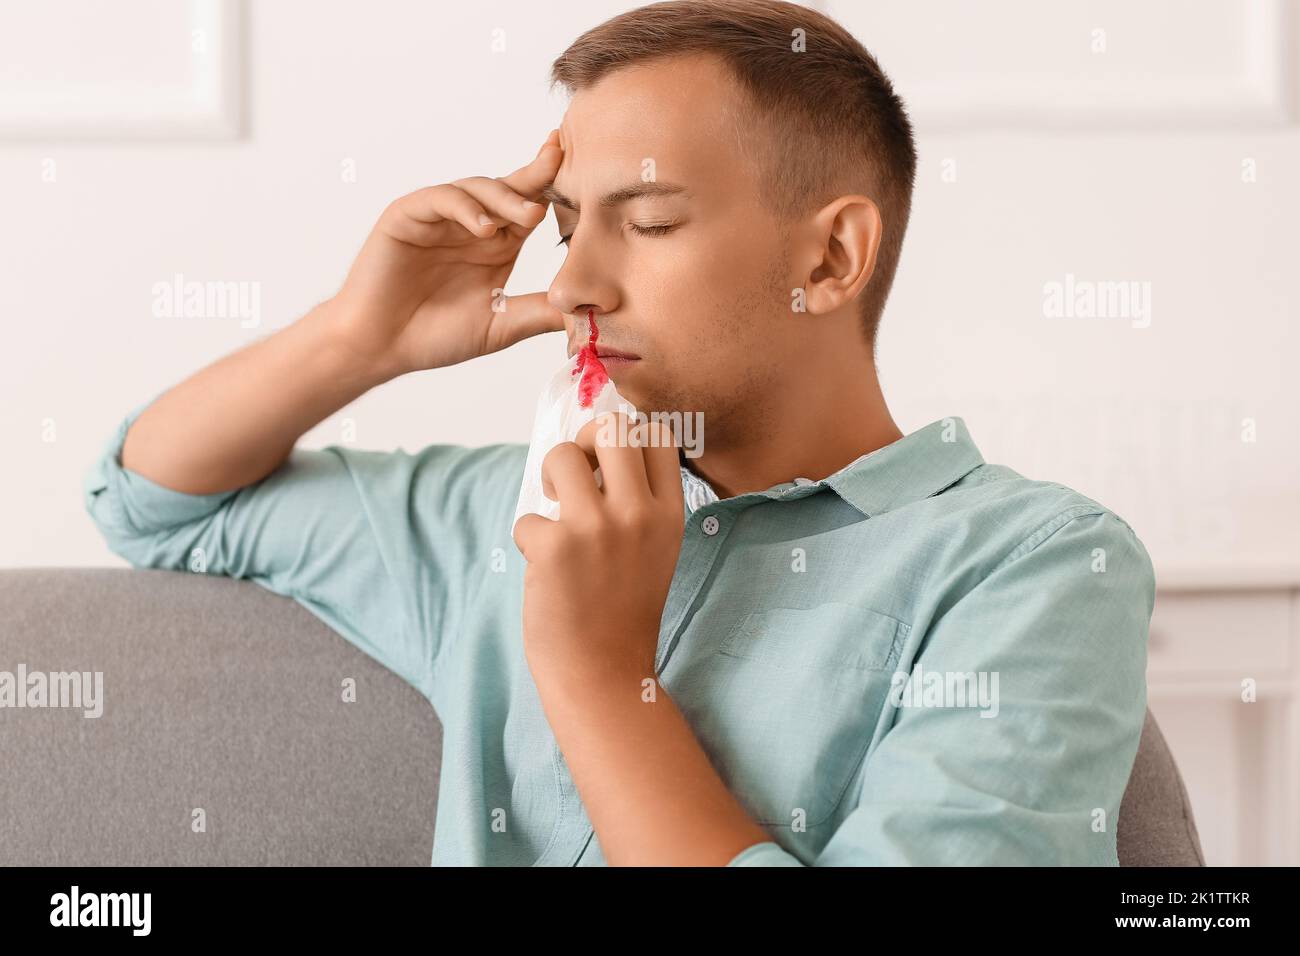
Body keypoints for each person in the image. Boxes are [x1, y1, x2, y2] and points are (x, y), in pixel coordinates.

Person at [84, 0, 1154, 866]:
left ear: (830, 260)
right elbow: (154, 500)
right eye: (563, 226)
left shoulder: (1034, 567)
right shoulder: (510, 516)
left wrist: (601, 678)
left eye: (646, 223)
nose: (573, 285)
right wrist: (359, 338)